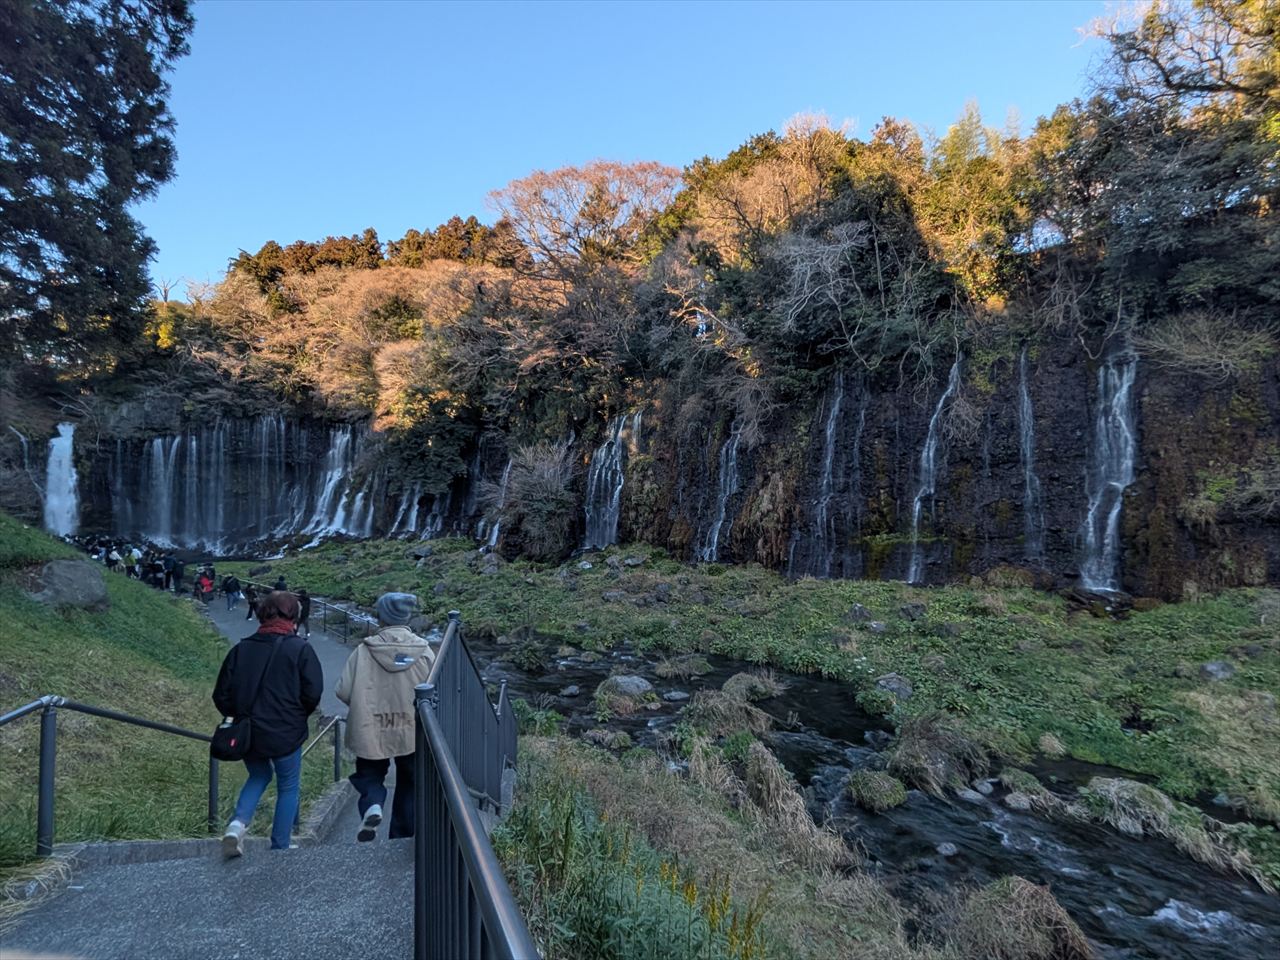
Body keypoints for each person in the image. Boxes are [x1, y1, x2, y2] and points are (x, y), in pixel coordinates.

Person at [213, 591, 323, 856]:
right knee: (288, 785)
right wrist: (297, 715)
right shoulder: (300, 649)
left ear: (263, 613)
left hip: (249, 731)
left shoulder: (241, 649)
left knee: (259, 774)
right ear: (294, 616)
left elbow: (221, 695)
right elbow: (313, 692)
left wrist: (239, 715)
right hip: (286, 731)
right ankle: (280, 846)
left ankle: (237, 824)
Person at [336, 592, 435, 842]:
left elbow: (343, 690)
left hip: (371, 724)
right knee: (410, 781)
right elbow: (436, 690)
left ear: (381, 617)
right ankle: (402, 836)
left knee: (369, 773)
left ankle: (373, 804)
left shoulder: (363, 651)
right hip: (412, 727)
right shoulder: (424, 651)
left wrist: (364, 706)